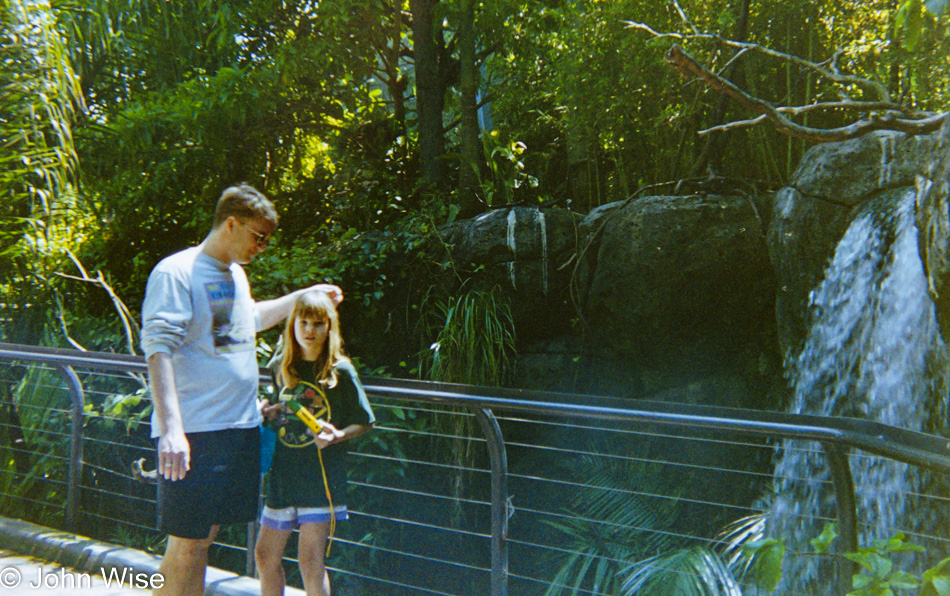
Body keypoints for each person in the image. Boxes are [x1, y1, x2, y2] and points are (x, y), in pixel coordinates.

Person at [140, 183, 342, 596]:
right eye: (259, 237)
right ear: (231, 223)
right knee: (189, 545)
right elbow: (158, 350)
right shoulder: (176, 272)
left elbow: (247, 320)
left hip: (238, 427)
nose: (262, 247)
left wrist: (305, 296)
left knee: (198, 541)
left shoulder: (235, 275)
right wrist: (173, 430)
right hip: (195, 432)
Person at [255, 290, 374, 596]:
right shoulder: (280, 366)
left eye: (318, 323)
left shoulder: (340, 371)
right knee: (265, 556)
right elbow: (278, 411)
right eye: (303, 322)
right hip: (283, 476)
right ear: (292, 325)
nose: (309, 330)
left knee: (310, 562)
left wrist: (338, 435)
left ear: (330, 327)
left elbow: (365, 421)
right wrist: (269, 412)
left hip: (320, 479)